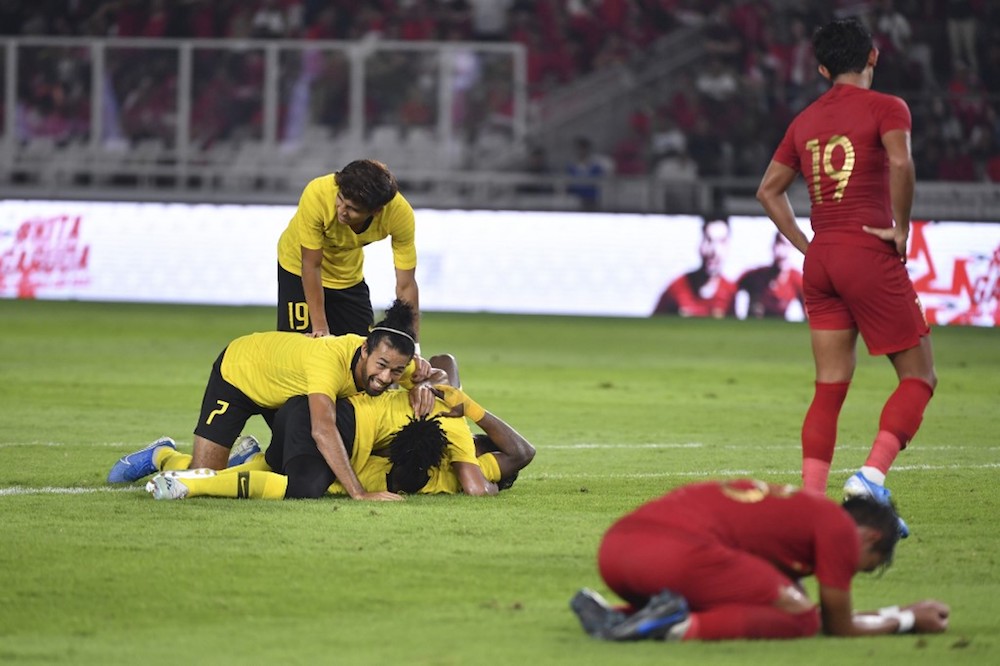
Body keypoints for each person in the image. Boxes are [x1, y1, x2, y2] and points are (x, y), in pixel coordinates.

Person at [755, 17, 937, 536]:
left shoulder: (804, 120)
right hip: (868, 251)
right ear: (873, 57)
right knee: (919, 377)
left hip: (823, 260)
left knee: (829, 387)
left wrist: (809, 246)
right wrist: (902, 228)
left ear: (821, 68)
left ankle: (810, 504)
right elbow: (900, 163)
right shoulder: (888, 107)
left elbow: (768, 191)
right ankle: (870, 478)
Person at [107, 300, 445, 501]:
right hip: (241, 372)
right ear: (363, 350)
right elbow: (322, 430)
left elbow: (442, 373)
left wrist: (425, 385)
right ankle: (161, 455)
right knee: (204, 472)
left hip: (284, 394)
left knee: (282, 464)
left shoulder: (395, 358)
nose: (386, 378)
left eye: (395, 371)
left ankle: (250, 458)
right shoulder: (327, 364)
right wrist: (358, 493)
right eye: (381, 367)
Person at [570, 479, 950, 642]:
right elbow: (836, 625)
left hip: (616, 552)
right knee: (799, 620)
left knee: (780, 606)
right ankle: (675, 628)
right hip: (677, 555)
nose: (842, 574)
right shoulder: (838, 528)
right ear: (871, 537)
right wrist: (909, 618)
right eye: (859, 565)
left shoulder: (795, 517)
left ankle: (621, 615)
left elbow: (802, 604)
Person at [144, 355, 535, 500]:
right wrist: (466, 409)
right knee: (301, 489)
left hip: (335, 437)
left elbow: (444, 361)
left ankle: (162, 456)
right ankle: (190, 484)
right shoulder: (456, 426)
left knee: (261, 470)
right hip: (335, 426)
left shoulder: (439, 421)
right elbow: (505, 464)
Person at [276, 159, 421, 341]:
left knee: (362, 352)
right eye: (340, 199)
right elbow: (311, 264)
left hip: (346, 276)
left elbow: (406, 285)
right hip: (297, 267)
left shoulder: (399, 215)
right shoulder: (318, 194)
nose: (341, 211)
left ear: (376, 211)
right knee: (299, 350)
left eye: (352, 208)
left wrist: (413, 344)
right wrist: (321, 330)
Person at [652, 218, 736, 318]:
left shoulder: (730, 291)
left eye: (722, 242)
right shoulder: (677, 287)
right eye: (708, 240)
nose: (714, 251)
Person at [733, 232, 805, 321]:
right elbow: (730, 289)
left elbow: (810, 314)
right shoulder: (756, 275)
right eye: (780, 244)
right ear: (773, 246)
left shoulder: (797, 279)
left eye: (788, 245)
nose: (782, 252)